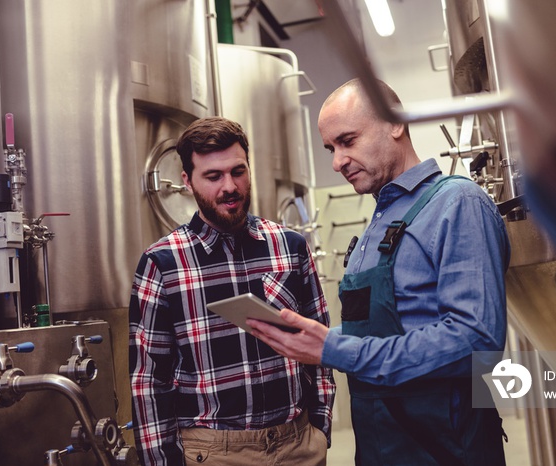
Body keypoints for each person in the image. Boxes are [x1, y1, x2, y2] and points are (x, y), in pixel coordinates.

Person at [249, 79, 510, 465]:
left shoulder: (458, 204)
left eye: (348, 141)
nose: (337, 162)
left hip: (448, 448)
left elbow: (476, 340)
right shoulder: (378, 222)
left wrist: (334, 347)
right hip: (381, 445)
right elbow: (388, 333)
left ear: (396, 123)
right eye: (331, 148)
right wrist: (317, 341)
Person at [129, 116, 336, 466]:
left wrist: (320, 427)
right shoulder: (162, 262)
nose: (230, 186)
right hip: (213, 452)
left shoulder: (290, 246)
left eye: (238, 171)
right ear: (187, 181)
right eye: (213, 176)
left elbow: (319, 343)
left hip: (297, 443)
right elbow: (149, 380)